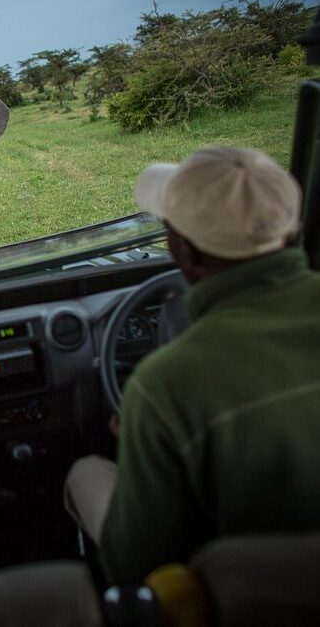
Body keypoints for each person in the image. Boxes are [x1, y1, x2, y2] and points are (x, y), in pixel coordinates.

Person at [65, 145, 320, 584]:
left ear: (188, 254)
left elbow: (142, 565)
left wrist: (146, 435)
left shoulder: (164, 384)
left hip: (250, 596)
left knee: (83, 473)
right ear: (288, 222)